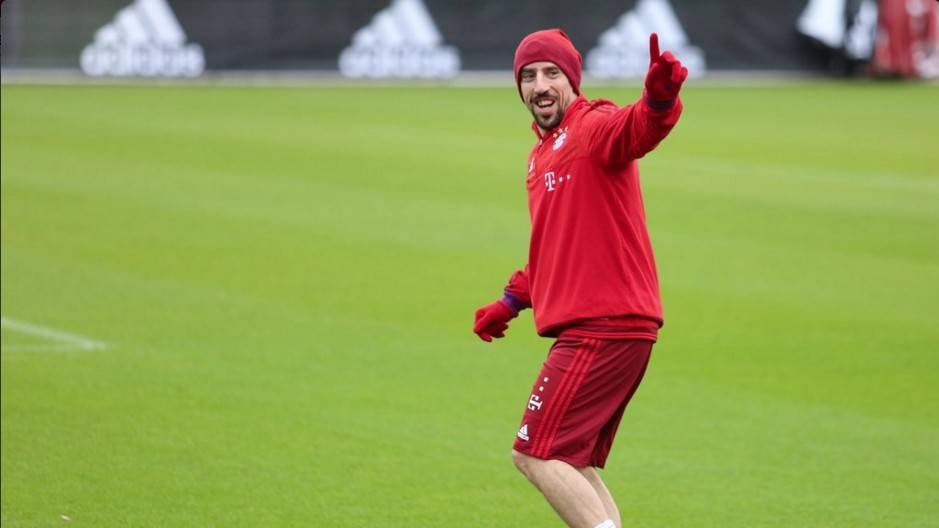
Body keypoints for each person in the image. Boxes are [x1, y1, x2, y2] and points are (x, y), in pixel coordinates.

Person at [472, 29, 687, 528]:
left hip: (602, 326)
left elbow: (636, 129)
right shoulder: (540, 155)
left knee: (534, 453)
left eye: (552, 73)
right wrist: (510, 301)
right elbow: (555, 248)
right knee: (569, 458)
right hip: (607, 326)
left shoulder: (592, 126)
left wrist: (659, 100)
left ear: (572, 79)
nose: (540, 86)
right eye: (528, 76)